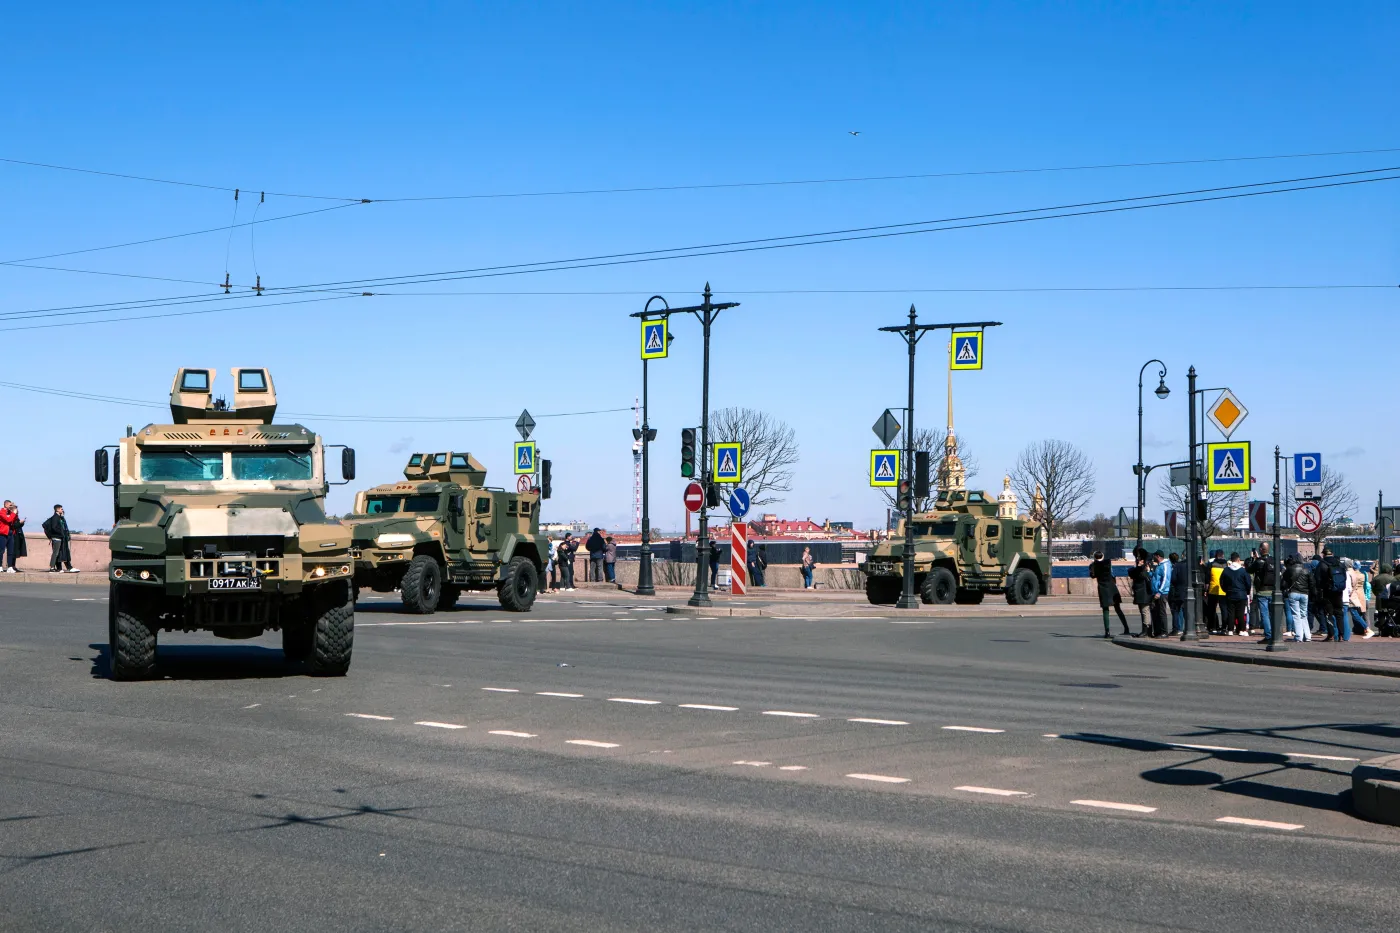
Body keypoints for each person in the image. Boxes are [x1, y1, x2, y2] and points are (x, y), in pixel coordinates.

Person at [1089, 549, 1129, 638]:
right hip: (1111, 586)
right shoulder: (1108, 563)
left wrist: (1093, 564)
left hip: (1102, 587)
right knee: (1118, 609)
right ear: (1102, 556)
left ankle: (1107, 632)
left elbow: (1092, 575)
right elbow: (1112, 573)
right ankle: (1126, 628)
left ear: (1094, 557)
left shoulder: (1093, 565)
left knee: (1105, 610)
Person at [1314, 547, 1346, 641]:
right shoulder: (1339, 563)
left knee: (1328, 614)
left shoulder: (1322, 564)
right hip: (1339, 591)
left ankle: (1331, 635)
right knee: (1339, 613)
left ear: (1323, 554)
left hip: (1327, 592)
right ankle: (1341, 635)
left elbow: (1317, 579)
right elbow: (1344, 577)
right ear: (1332, 553)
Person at [1248, 542, 1276, 643]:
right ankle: (1275, 634)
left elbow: (1249, 570)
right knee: (1273, 614)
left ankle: (1268, 635)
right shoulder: (1273, 560)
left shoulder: (1258, 561)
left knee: (1265, 614)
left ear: (1260, 549)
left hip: (1262, 591)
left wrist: (1252, 559)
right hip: (1273, 590)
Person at [1220, 552, 1252, 636]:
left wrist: (1226, 590)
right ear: (1238, 559)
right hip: (1241, 594)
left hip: (1230, 593)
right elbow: (1248, 583)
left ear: (1231, 560)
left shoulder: (1226, 570)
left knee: (1230, 613)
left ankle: (1230, 629)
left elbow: (1221, 582)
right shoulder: (1243, 570)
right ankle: (1241, 630)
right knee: (1240, 613)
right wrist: (1247, 591)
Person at [1282, 555, 1312, 641]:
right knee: (1304, 614)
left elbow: (1283, 583)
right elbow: (1312, 583)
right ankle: (1307, 635)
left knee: (1296, 615)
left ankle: (1299, 636)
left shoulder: (1289, 570)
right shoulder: (1306, 570)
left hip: (1293, 592)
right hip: (1305, 593)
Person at [1342, 558, 1372, 638]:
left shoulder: (1349, 573)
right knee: (1360, 613)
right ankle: (1365, 629)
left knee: (1353, 614)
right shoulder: (1362, 574)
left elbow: (1350, 587)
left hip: (1352, 595)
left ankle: (1365, 629)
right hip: (1360, 594)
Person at [42, 504, 76, 573]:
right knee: (55, 553)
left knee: (57, 553)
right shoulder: (55, 517)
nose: (62, 510)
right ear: (57, 510)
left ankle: (58, 568)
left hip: (58, 538)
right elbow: (54, 527)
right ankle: (52, 567)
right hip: (57, 538)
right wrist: (61, 533)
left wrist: (62, 517)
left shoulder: (59, 517)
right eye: (61, 509)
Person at [1128, 547, 1153, 637]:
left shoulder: (1144, 568)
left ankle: (1146, 630)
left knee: (1145, 611)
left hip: (1144, 592)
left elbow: (1138, 574)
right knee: (1144, 611)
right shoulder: (1143, 567)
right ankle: (1147, 629)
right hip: (1142, 592)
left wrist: (1140, 565)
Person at [1206, 550, 1228, 634]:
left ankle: (1213, 627)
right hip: (1223, 590)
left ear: (1215, 556)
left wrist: (1206, 589)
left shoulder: (1211, 564)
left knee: (1212, 609)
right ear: (1223, 555)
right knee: (1224, 609)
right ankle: (1224, 627)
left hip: (1213, 589)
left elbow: (1207, 577)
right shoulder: (1226, 565)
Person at [1168, 552, 1187, 635]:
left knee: (1176, 610)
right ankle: (1185, 627)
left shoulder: (1176, 566)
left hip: (1177, 590)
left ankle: (1177, 629)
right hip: (1186, 591)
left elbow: (1173, 578)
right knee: (1184, 610)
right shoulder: (1188, 566)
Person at [0, 501, 17, 573]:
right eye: (10, 505)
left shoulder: (10, 512)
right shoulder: (1, 512)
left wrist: (14, 511)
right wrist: (13, 513)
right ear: (6, 504)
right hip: (3, 533)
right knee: (1, 551)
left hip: (10, 533)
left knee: (10, 551)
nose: (11, 506)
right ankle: (0, 566)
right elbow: (8, 519)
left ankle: (10, 567)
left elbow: (14, 520)